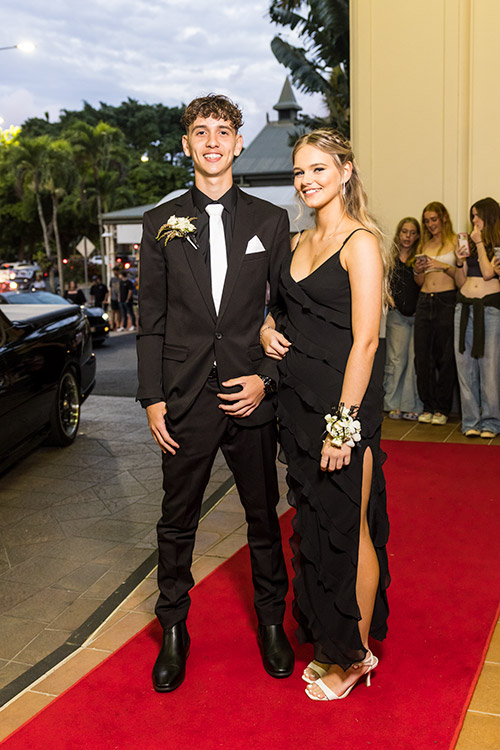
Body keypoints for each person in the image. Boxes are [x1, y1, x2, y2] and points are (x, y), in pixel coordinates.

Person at [136, 94, 294, 693]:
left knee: (261, 518)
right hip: (184, 398)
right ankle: (173, 629)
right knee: (177, 523)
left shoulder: (268, 221)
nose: (211, 141)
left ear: (237, 143)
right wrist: (153, 397)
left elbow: (285, 311)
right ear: (187, 145)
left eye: (222, 131)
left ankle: (272, 622)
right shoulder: (161, 220)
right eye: (200, 132)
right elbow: (151, 317)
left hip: (251, 393)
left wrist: (267, 379)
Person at [260, 129, 390, 701]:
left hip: (345, 412)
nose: (307, 180)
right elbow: (281, 315)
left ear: (345, 171)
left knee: (348, 530)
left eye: (318, 169)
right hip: (297, 410)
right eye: (299, 172)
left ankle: (354, 656)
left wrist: (345, 424)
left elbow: (366, 343)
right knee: (313, 526)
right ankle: (333, 642)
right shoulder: (296, 242)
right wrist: (266, 329)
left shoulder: (360, 243)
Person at [454, 198, 500, 438]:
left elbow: (487, 272)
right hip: (464, 306)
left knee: (489, 366)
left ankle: (491, 422)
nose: (474, 220)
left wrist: (480, 243)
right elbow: (460, 281)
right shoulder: (469, 242)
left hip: (489, 309)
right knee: (465, 366)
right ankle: (470, 420)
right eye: (472, 216)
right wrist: (460, 260)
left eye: (477, 215)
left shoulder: (494, 244)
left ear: (489, 216)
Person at [413, 202, 458, 425]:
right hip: (424, 300)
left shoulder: (455, 241)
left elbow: (461, 276)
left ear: (443, 218)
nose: (430, 224)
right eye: (427, 221)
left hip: (446, 300)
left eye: (434, 219)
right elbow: (419, 281)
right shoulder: (424, 243)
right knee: (423, 359)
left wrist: (439, 264)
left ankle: (442, 408)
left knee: (446, 358)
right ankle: (427, 405)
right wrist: (417, 270)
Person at [384, 217, 422, 420]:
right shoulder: (389, 258)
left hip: (418, 316)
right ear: (399, 234)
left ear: (417, 236)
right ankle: (392, 403)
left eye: (413, 232)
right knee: (396, 360)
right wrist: (390, 300)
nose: (408, 236)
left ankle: (411, 405)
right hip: (397, 315)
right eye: (404, 231)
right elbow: (382, 282)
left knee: (414, 361)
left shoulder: (420, 258)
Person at [109, 266, 122, 330]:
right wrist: (109, 296)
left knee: (119, 312)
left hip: (119, 298)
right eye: (114, 271)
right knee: (113, 311)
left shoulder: (120, 279)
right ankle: (112, 324)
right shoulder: (112, 279)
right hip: (113, 297)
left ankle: (118, 324)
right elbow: (110, 288)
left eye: (116, 271)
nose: (115, 272)